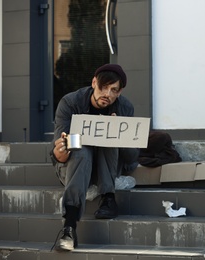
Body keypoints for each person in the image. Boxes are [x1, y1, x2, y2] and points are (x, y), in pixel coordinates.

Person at [50, 64, 139, 251]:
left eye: (113, 90)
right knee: (81, 150)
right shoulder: (70, 103)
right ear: (93, 83)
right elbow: (58, 154)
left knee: (109, 137)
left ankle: (108, 198)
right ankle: (69, 226)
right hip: (75, 167)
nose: (107, 93)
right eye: (103, 87)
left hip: (106, 168)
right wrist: (60, 153)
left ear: (120, 92)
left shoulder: (125, 107)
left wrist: (118, 134)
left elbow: (131, 158)